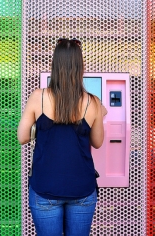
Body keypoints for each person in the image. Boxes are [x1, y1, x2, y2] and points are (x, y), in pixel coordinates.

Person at [17, 38, 107, 236]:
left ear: (55, 65)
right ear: (79, 67)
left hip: (45, 187)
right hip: (82, 189)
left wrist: (39, 126)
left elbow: (22, 137)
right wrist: (100, 113)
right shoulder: (93, 102)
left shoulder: (37, 97)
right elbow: (98, 142)